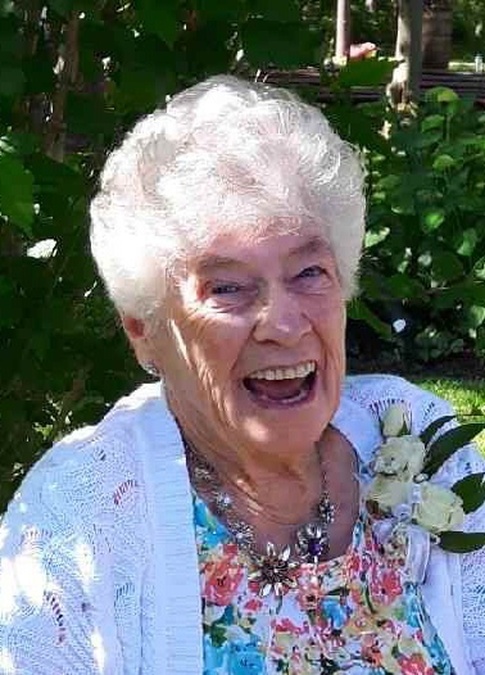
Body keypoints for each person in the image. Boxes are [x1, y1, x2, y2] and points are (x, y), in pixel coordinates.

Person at [0, 75, 484, 675]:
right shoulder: (81, 514)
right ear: (143, 330)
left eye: (308, 273)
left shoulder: (418, 439)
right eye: (227, 288)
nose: (282, 323)